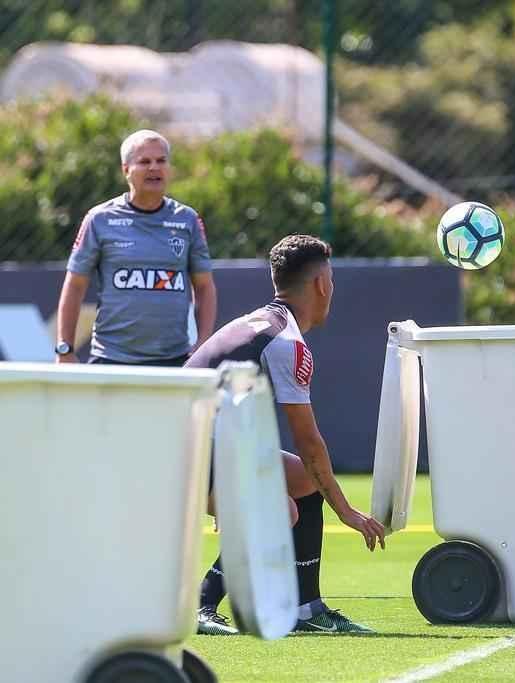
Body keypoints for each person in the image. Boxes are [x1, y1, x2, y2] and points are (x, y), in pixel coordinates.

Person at [187, 234, 387, 635]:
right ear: (322, 284)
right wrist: (346, 511)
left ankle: (305, 608)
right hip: (180, 448)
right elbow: (309, 442)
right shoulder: (285, 342)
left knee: (302, 482)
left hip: (195, 440)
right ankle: (201, 603)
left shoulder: (265, 322)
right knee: (281, 509)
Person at [55, 129, 216, 366]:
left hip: (173, 359)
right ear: (126, 169)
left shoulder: (187, 220)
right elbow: (75, 284)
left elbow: (204, 286)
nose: (154, 167)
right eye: (144, 161)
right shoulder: (100, 219)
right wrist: (64, 349)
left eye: (161, 160)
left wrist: (203, 345)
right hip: (112, 359)